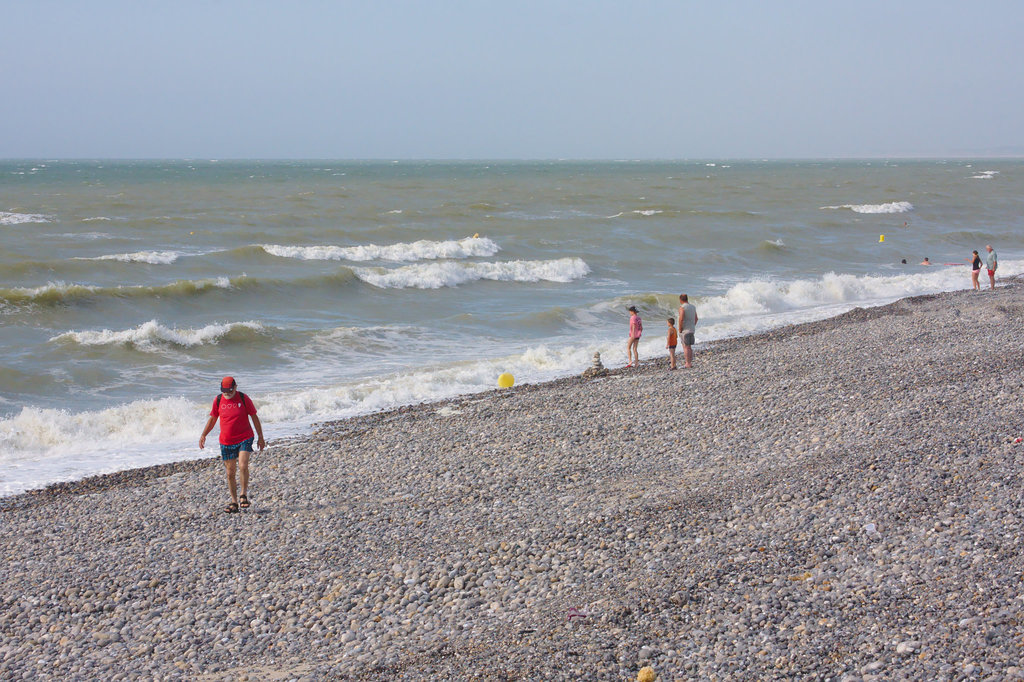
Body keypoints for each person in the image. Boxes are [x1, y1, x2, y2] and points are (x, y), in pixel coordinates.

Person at [199, 376, 266, 513]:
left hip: (245, 437)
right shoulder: (218, 400)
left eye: (229, 391)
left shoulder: (243, 398)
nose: (227, 394)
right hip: (226, 441)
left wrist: (260, 437)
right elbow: (212, 419)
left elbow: (254, 417)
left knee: (242, 465)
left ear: (235, 387)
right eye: (224, 391)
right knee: (230, 473)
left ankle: (243, 495)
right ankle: (234, 502)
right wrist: (204, 434)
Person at [677, 294, 698, 369]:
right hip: (691, 329)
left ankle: (687, 363)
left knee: (685, 347)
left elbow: (681, 318)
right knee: (689, 347)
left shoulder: (682, 307)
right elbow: (696, 318)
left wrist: (680, 328)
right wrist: (693, 325)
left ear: (680, 300)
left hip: (685, 329)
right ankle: (690, 362)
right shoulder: (693, 307)